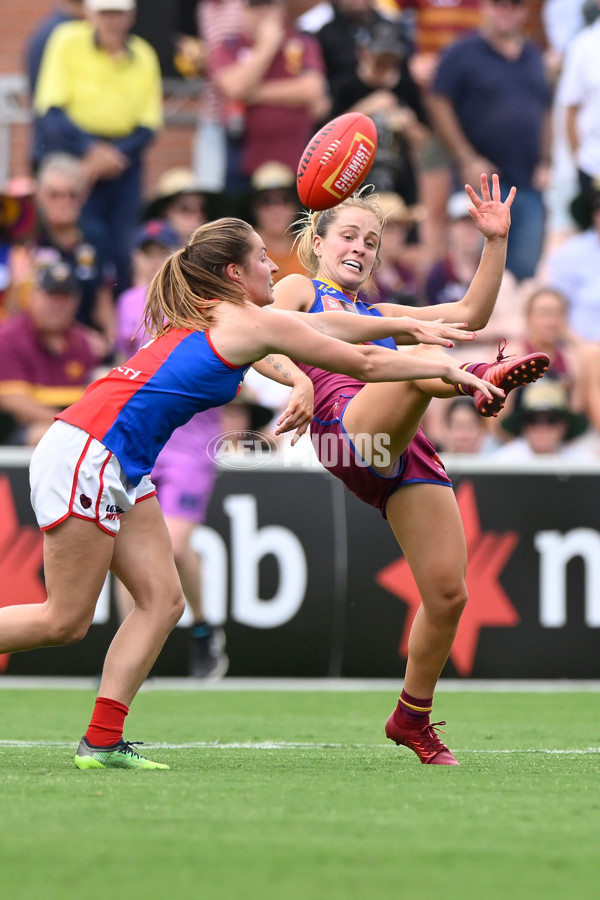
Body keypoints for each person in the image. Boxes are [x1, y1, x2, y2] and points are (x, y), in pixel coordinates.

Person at [0, 215, 506, 770]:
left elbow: (338, 331)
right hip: (89, 450)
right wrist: (442, 368)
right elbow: (361, 359)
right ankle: (100, 738)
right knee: (65, 620)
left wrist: (330, 367)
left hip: (121, 459)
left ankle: (101, 741)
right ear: (235, 272)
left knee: (165, 601)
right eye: (263, 257)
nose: (274, 264)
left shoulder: (232, 315)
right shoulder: (246, 320)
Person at [271, 174, 550, 765]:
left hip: (402, 440)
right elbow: (264, 337)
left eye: (371, 242)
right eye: (349, 235)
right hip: (344, 425)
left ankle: (411, 718)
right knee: (424, 353)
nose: (361, 249)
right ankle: (476, 379)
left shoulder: (382, 311)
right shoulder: (299, 288)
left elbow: (471, 312)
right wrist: (295, 377)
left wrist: (495, 241)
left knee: (448, 595)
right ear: (318, 241)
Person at [115, 219, 228, 679]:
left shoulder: (203, 302)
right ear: (136, 258)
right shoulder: (128, 303)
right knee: (126, 553)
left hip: (191, 446)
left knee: (174, 547)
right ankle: (133, 654)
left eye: (160, 250)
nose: (151, 258)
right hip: (144, 442)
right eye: (145, 250)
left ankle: (203, 629)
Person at [33, 0, 163, 293]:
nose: (112, 21)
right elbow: (50, 110)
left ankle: (119, 321)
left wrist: (107, 154)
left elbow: (150, 125)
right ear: (90, 13)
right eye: (106, 13)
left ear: (131, 16)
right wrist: (93, 150)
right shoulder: (66, 40)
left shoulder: (144, 54)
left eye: (118, 13)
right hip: (75, 155)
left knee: (123, 246)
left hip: (121, 162)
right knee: (72, 240)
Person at [428, 0, 553, 281]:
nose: (506, 10)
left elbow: (546, 110)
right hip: (481, 182)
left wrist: (546, 160)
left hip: (528, 183)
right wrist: (466, 157)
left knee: (523, 271)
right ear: (485, 6)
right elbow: (438, 101)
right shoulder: (461, 52)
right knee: (470, 272)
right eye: (499, 4)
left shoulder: (534, 56)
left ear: (524, 11)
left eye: (515, 5)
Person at [210, 0, 329, 212]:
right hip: (244, 161)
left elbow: (311, 91)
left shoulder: (302, 42)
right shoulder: (229, 46)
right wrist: (266, 49)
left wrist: (253, 93)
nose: (262, 13)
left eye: (268, 5)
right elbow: (234, 87)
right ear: (244, 11)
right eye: (256, 7)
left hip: (297, 161)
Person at [0, 260, 104, 446]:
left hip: (69, 428)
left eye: (64, 297)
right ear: (33, 297)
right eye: (51, 296)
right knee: (45, 435)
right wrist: (70, 426)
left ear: (76, 301)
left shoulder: (85, 342)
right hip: (16, 436)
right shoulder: (9, 337)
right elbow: (13, 402)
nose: (57, 305)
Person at [494, 379, 591, 460]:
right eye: (532, 420)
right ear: (522, 424)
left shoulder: (584, 463)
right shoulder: (502, 462)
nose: (542, 426)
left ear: (564, 425)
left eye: (551, 420)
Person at [142, 168, 208, 246]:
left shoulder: (211, 251)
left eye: (203, 209)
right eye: (185, 209)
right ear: (165, 211)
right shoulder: (147, 246)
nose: (198, 216)